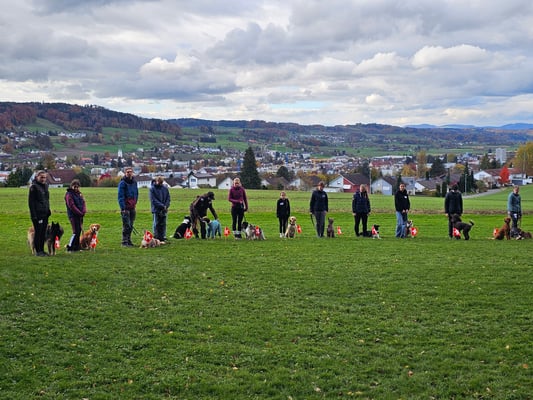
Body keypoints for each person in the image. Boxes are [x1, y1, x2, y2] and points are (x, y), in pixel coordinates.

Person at [28, 170, 51, 256]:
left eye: (44, 177)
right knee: (38, 233)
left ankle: (42, 250)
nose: (43, 179)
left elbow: (46, 200)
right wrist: (34, 215)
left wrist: (48, 209)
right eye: (41, 177)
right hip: (37, 214)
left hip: (45, 213)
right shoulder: (33, 187)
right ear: (37, 177)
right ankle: (38, 251)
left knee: (43, 233)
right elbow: (31, 202)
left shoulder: (45, 186)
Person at [118, 167, 139, 247]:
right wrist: (123, 208)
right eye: (128, 172)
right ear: (125, 173)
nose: (129, 173)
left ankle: (129, 240)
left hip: (132, 207)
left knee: (131, 225)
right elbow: (120, 196)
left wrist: (135, 202)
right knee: (126, 225)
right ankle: (124, 241)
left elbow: (136, 193)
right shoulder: (122, 183)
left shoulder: (134, 183)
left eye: (130, 172)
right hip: (126, 208)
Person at [65, 179, 86, 252]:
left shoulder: (79, 194)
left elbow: (83, 202)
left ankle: (77, 247)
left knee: (79, 230)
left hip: (80, 215)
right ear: (71, 186)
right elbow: (72, 206)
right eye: (75, 187)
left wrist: (83, 211)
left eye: (77, 187)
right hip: (73, 215)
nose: (76, 188)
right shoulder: (69, 194)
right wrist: (80, 213)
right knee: (75, 231)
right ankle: (70, 247)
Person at [149, 176, 171, 242]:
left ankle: (163, 236)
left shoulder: (165, 188)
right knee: (156, 223)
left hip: (164, 209)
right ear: (156, 181)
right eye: (159, 182)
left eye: (161, 182)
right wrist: (162, 206)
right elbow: (153, 200)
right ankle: (156, 236)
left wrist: (166, 206)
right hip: (156, 209)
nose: (160, 184)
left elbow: (168, 198)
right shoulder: (152, 189)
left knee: (163, 223)